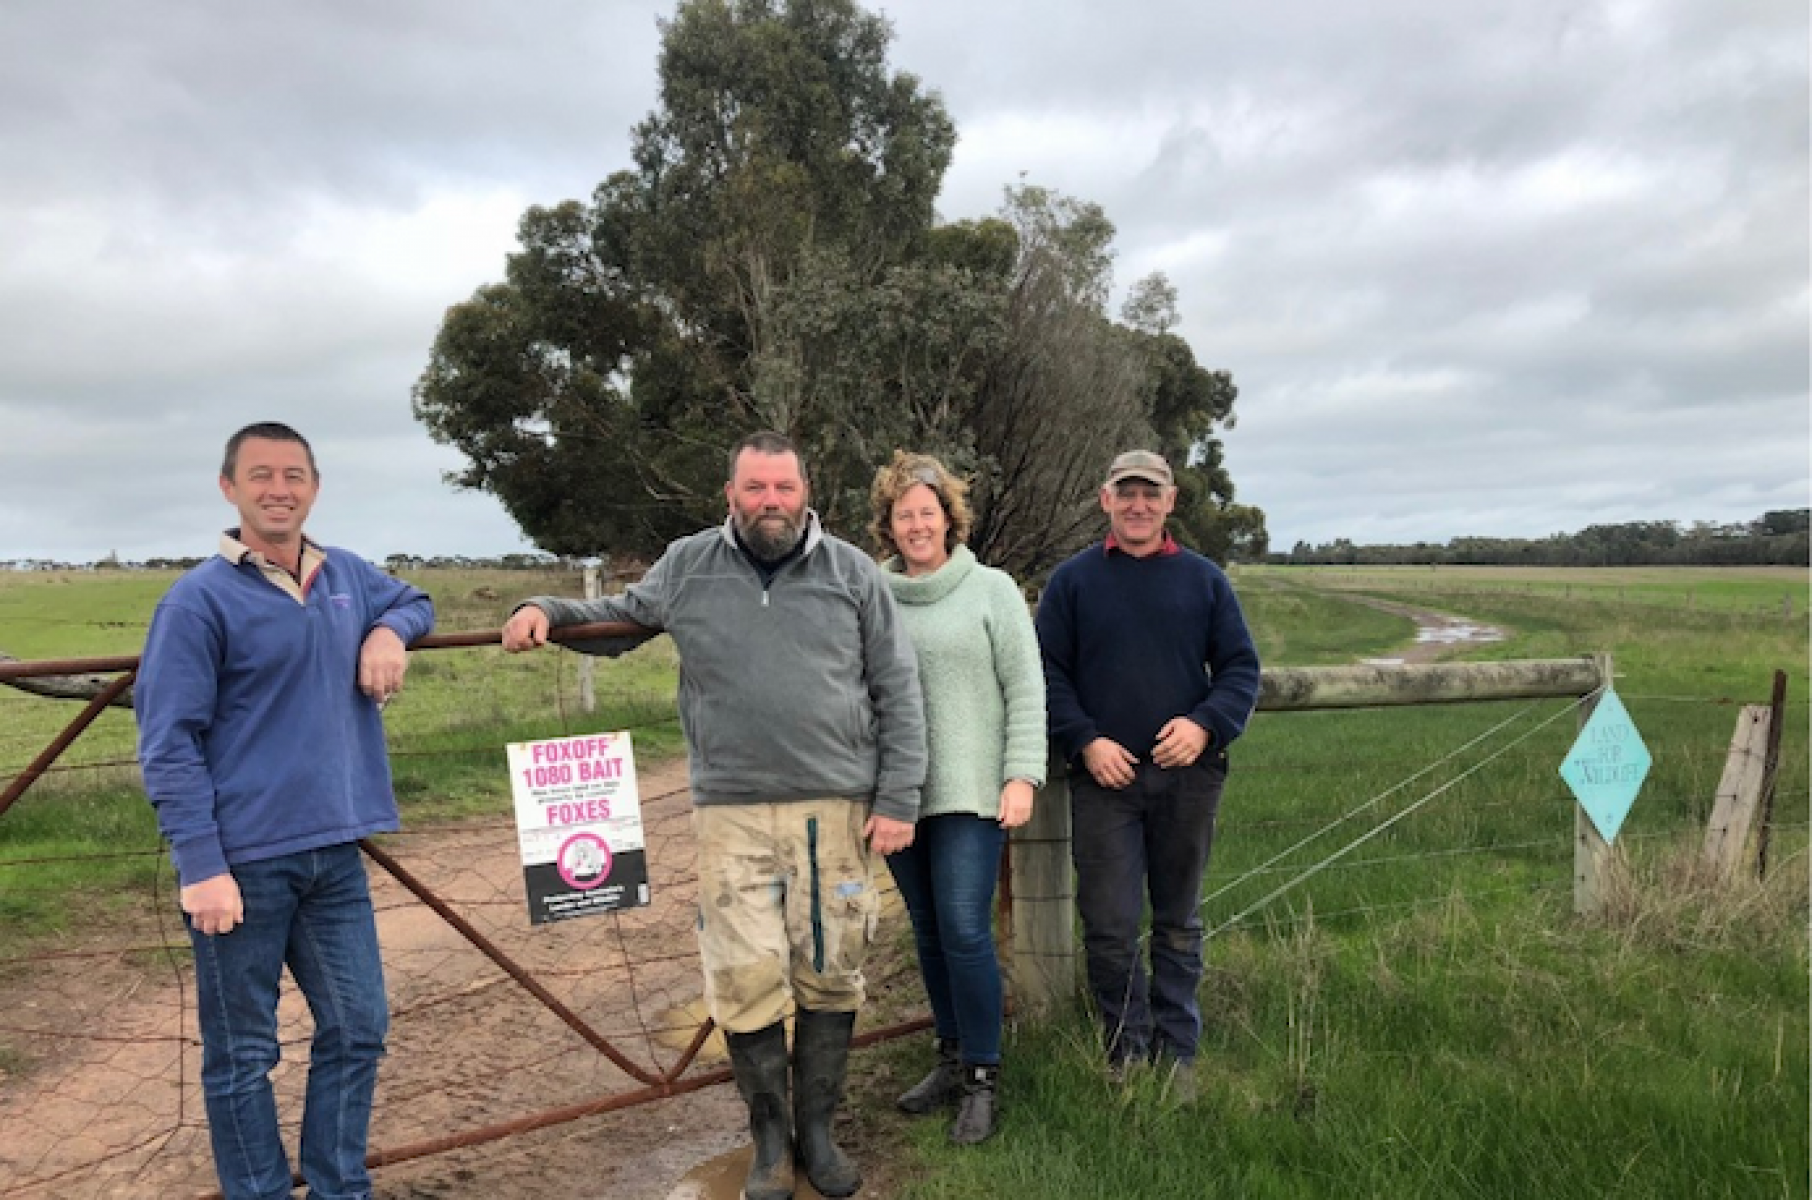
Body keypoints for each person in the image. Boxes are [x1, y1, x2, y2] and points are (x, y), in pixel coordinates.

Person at [501, 431, 925, 1200]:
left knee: (831, 973)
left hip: (834, 810)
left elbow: (899, 689)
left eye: (784, 489)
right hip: (729, 813)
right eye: (756, 489)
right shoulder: (689, 565)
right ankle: (769, 1146)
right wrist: (544, 609)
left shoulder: (854, 573)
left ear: (807, 492)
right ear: (730, 495)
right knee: (743, 976)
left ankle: (818, 1137)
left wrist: (898, 800)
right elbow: (620, 620)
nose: (771, 503)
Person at [136, 422, 435, 1200]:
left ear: (315, 487)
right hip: (241, 863)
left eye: (294, 475)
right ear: (229, 488)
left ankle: (340, 1187)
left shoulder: (344, 575)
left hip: (335, 851)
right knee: (242, 1054)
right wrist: (200, 864)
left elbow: (416, 600)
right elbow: (168, 741)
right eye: (261, 475)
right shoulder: (197, 601)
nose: (279, 489)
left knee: (358, 1028)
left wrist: (387, 631)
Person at [1034, 449, 1260, 1098]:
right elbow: (1046, 673)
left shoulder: (1205, 581)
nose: (1138, 504)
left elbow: (1242, 669)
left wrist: (1204, 724)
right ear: (1105, 499)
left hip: (1188, 781)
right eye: (1125, 492)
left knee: (1178, 920)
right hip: (1104, 782)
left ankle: (1178, 1051)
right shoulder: (1073, 582)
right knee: (1108, 925)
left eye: (1150, 493)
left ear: (1171, 501)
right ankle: (1125, 1049)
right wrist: (1086, 740)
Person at [866, 452, 1045, 1146]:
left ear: (949, 518)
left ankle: (982, 1076)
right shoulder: (872, 594)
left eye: (927, 511)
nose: (916, 524)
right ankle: (948, 1057)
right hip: (898, 797)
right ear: (889, 523)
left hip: (972, 793)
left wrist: (1021, 774)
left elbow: (1025, 686)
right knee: (930, 932)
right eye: (903, 513)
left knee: (967, 930)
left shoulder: (991, 590)